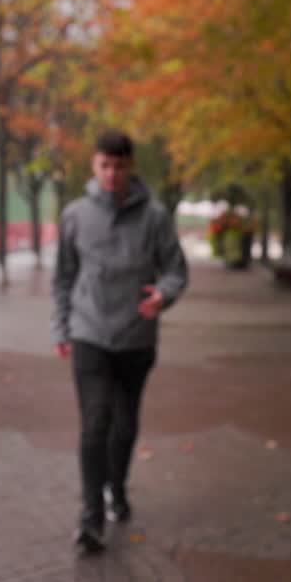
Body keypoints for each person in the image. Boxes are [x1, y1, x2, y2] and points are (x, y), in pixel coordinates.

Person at [51, 129, 189, 556]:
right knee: (95, 422)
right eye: (104, 165)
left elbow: (176, 270)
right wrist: (61, 328)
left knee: (125, 423)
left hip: (136, 336)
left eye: (120, 165)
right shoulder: (75, 215)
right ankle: (90, 516)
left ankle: (117, 488)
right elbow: (63, 278)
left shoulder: (155, 217)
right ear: (94, 166)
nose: (112, 174)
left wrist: (163, 295)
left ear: (131, 167)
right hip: (89, 332)